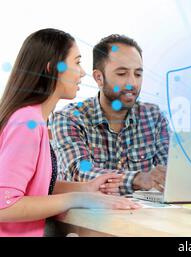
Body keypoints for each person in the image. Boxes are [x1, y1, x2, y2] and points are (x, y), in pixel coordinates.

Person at [0, 28, 140, 237]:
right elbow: (5, 205)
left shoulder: (34, 119)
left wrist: (85, 188)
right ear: (52, 68)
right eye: (77, 62)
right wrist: (76, 198)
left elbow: (35, 186)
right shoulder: (26, 122)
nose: (82, 72)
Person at [50, 34, 169, 195]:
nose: (132, 83)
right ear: (99, 77)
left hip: (142, 216)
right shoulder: (69, 118)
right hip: (88, 218)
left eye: (138, 74)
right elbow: (78, 173)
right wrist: (137, 178)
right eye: (122, 74)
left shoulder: (153, 116)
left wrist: (165, 178)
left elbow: (167, 173)